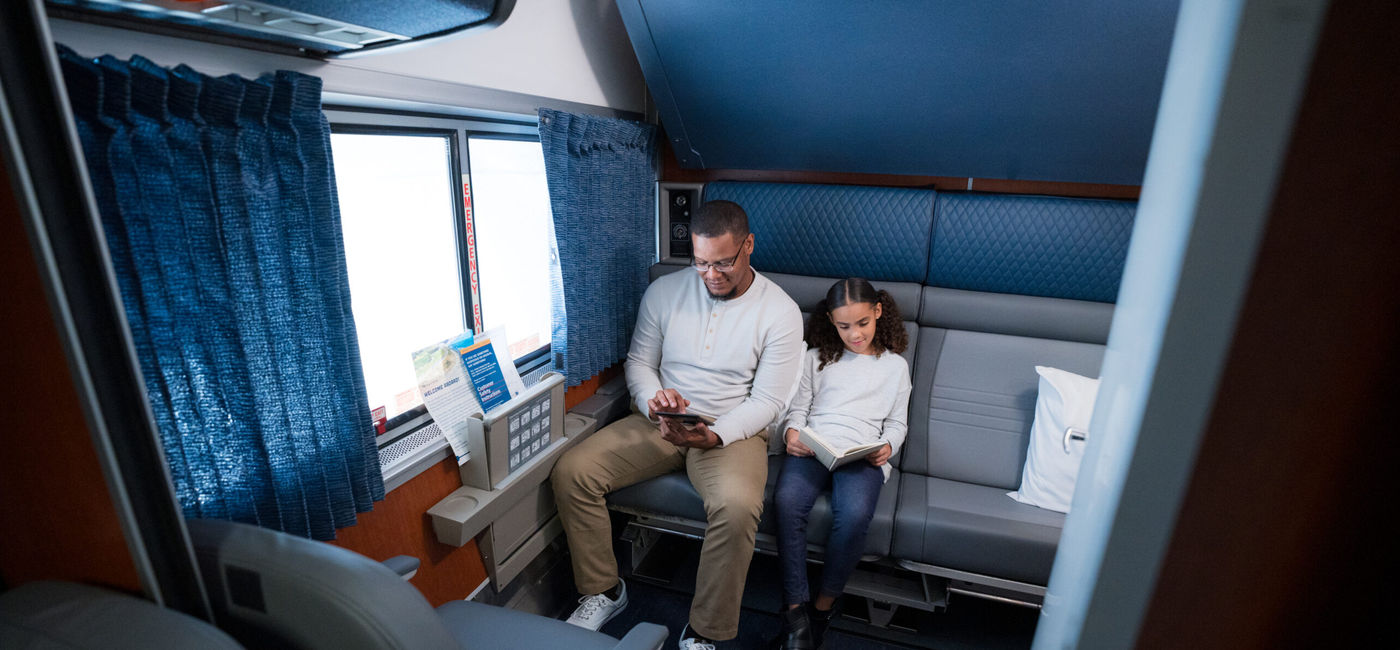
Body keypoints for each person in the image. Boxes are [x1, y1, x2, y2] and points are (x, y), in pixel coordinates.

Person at [551, 200, 805, 649]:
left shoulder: (780, 312)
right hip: (660, 421)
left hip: (731, 431)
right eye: (702, 262)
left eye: (723, 263)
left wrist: (716, 434)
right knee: (573, 471)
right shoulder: (665, 293)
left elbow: (769, 400)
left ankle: (705, 631)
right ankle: (604, 590)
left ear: (748, 245)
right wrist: (655, 402)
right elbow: (640, 364)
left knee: (737, 504)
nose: (711, 275)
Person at [772, 278, 911, 650]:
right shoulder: (816, 357)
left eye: (862, 323)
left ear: (878, 312)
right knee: (787, 502)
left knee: (853, 515)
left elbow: (897, 424)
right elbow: (798, 409)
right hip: (816, 445)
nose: (854, 334)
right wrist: (793, 434)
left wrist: (887, 446)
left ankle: (822, 608)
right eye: (844, 326)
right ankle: (795, 611)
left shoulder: (895, 367)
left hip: (862, 453)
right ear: (831, 321)